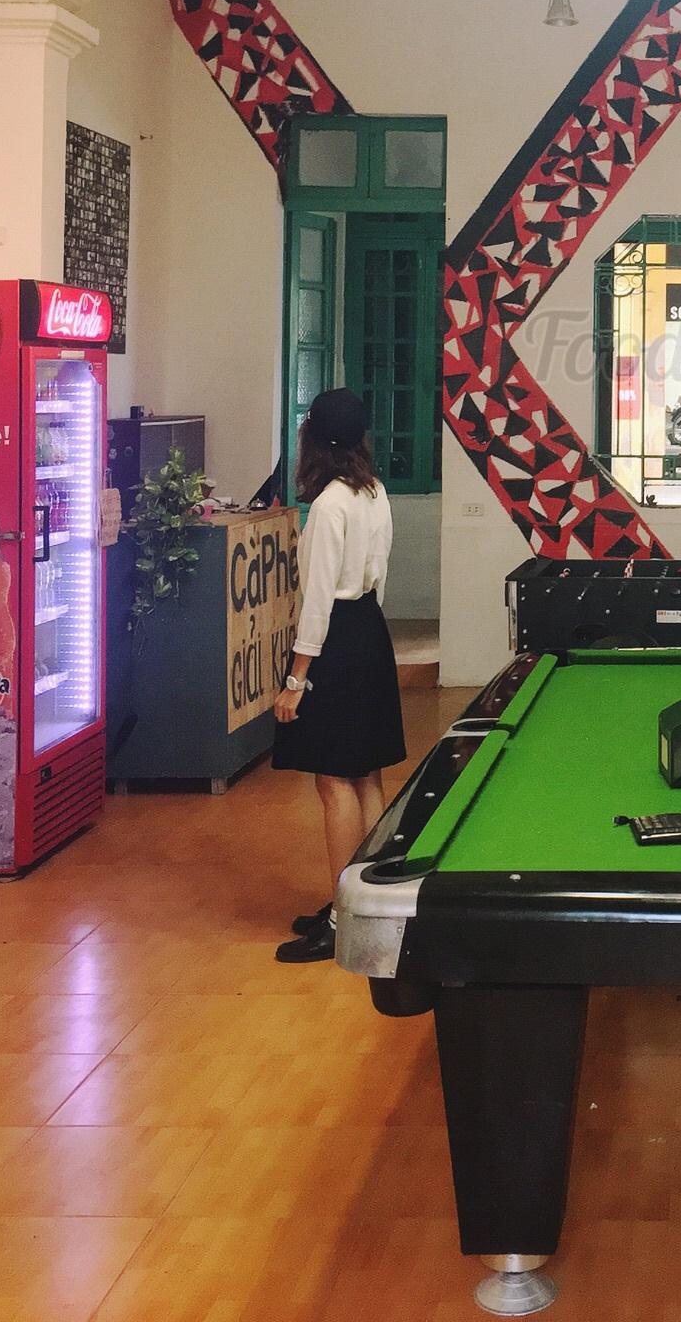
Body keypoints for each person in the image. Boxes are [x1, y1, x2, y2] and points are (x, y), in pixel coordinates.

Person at [272, 387, 405, 963]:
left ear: (313, 441)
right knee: (366, 772)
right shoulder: (374, 491)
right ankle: (368, 902)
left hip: (336, 641)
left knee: (333, 782)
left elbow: (318, 600)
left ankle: (341, 917)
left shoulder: (328, 505)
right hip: (370, 629)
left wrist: (296, 680)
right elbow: (381, 574)